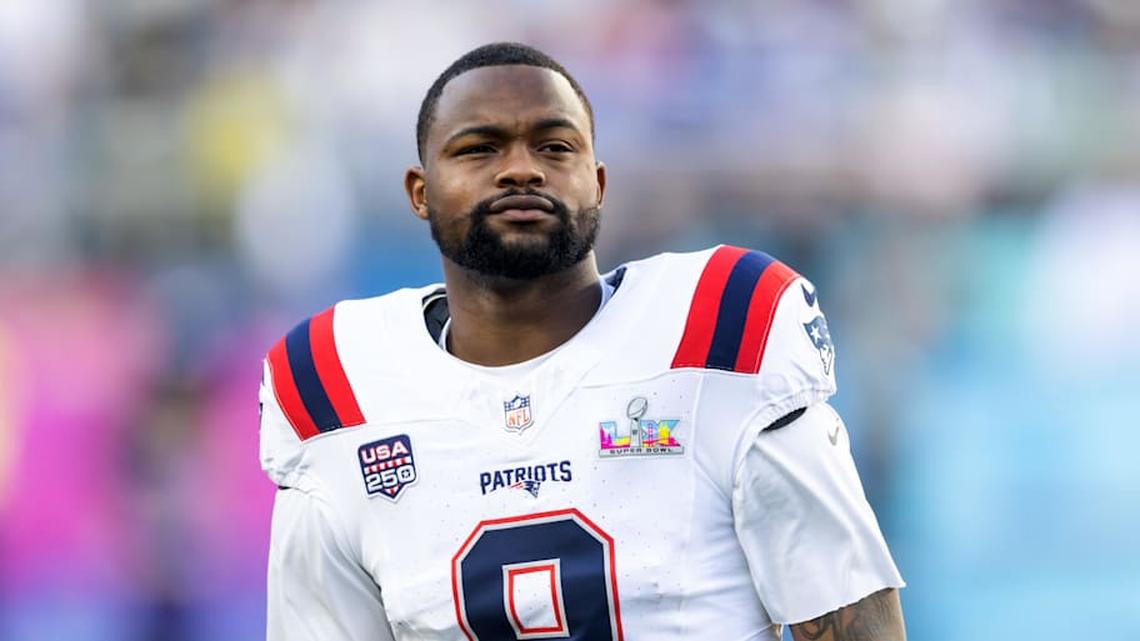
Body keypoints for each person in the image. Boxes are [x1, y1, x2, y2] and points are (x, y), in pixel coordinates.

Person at [260, 42, 906, 641]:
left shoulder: (721, 332)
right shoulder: (337, 389)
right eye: (480, 149)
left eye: (554, 146)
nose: (521, 170)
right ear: (420, 192)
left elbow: (852, 617)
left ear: (597, 182)